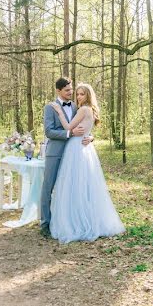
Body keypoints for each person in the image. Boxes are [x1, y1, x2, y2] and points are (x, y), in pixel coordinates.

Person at [48, 83, 124, 243]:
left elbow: (69, 127)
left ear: (88, 95)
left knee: (75, 184)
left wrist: (59, 112)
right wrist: (91, 137)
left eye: (81, 94)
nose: (78, 96)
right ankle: (85, 216)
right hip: (86, 148)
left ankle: (77, 220)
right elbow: (87, 129)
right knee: (85, 184)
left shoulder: (83, 109)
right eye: (77, 94)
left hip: (77, 148)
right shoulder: (88, 110)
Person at [40, 77, 91, 238]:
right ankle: (45, 223)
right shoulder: (50, 107)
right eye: (67, 90)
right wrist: (69, 133)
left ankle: (66, 221)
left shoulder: (77, 107)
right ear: (58, 91)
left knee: (70, 189)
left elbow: (84, 126)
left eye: (71, 90)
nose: (71, 93)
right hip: (55, 152)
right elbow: (49, 131)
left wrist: (91, 138)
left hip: (73, 154)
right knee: (48, 187)